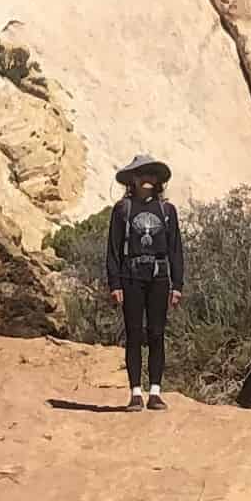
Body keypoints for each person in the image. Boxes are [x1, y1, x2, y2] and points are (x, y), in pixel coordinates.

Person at [102, 156, 185, 408]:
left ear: (158, 180)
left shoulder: (166, 211)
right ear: (133, 180)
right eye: (142, 174)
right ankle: (136, 392)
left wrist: (177, 284)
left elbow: (175, 249)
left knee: (157, 333)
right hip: (131, 276)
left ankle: (156, 392)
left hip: (159, 276)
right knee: (134, 333)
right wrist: (115, 283)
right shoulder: (123, 209)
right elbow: (113, 249)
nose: (148, 179)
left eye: (152, 174)